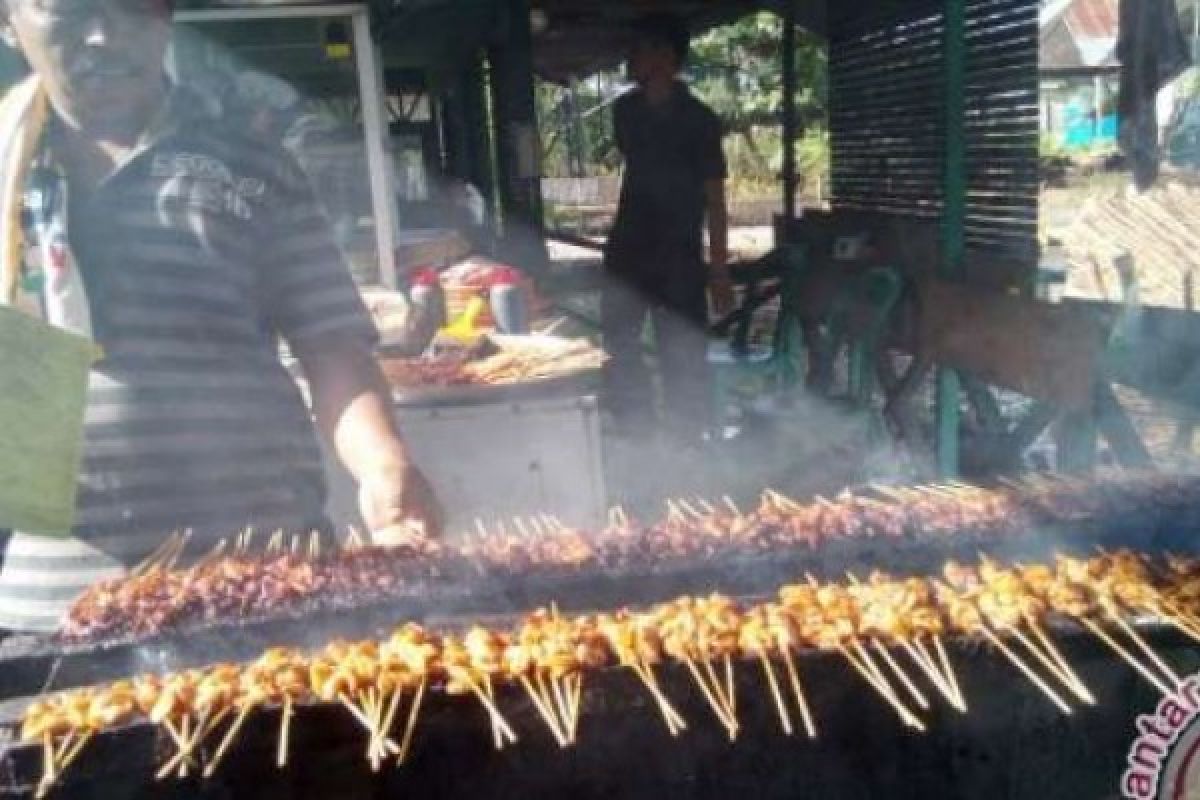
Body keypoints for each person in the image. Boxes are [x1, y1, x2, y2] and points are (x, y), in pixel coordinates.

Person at [0, 0, 440, 631]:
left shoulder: (253, 165)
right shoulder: (5, 170)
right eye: (69, 9)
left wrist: (384, 465)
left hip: (269, 581)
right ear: (9, 21)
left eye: (131, 7)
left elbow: (332, 346)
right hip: (55, 605)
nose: (103, 34)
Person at [602, 12, 732, 441]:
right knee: (620, 346)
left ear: (664, 56)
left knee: (682, 353)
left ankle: (687, 440)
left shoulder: (700, 121)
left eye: (638, 49)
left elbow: (715, 198)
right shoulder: (626, 111)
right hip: (629, 250)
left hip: (678, 256)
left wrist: (718, 270)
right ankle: (635, 432)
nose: (629, 57)